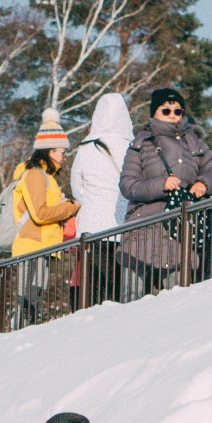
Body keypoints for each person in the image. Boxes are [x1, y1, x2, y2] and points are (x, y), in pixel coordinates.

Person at [118, 88, 212, 296]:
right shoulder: (141, 144)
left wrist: (203, 184)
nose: (173, 115)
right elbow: (128, 185)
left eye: (178, 111)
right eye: (166, 111)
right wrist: (161, 184)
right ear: (154, 112)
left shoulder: (194, 142)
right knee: (132, 297)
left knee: (177, 298)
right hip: (143, 225)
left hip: (179, 227)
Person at [11, 111, 80, 323]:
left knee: (33, 301)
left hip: (42, 246)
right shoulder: (35, 174)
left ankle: (24, 336)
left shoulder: (45, 176)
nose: (64, 156)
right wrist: (70, 207)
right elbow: (40, 214)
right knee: (28, 303)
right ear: (49, 151)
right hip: (32, 246)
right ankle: (20, 340)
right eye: (61, 151)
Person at [67, 91, 133, 308]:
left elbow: (77, 189)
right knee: (120, 285)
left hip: (92, 228)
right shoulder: (133, 146)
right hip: (124, 224)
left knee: (94, 285)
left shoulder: (87, 147)